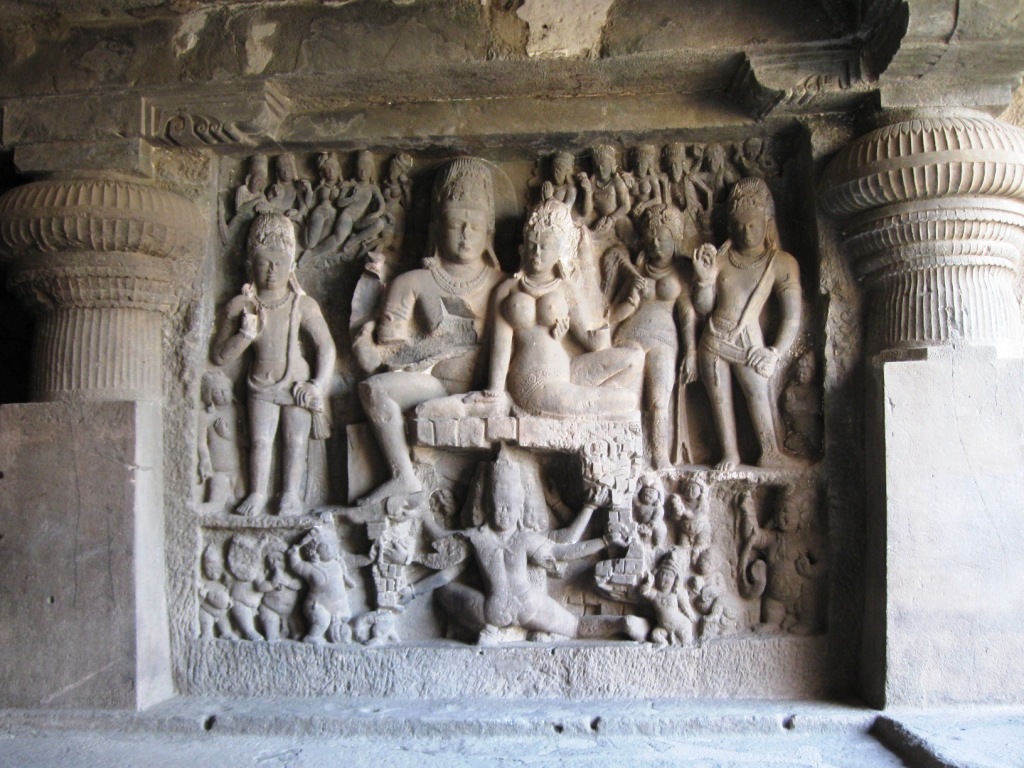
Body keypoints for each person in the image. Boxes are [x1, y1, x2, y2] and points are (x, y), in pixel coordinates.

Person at [352, 158, 506, 504]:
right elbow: (389, 354)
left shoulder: (505, 285)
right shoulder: (411, 283)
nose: (465, 235)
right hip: (434, 383)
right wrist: (370, 349)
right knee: (374, 390)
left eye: (475, 226)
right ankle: (402, 477)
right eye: (455, 224)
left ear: (489, 232)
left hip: (490, 389)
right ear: (436, 229)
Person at [429, 454, 649, 645]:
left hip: (494, 610)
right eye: (498, 506)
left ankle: (500, 632)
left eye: (507, 507)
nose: (503, 512)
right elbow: (563, 551)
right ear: (488, 507)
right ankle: (622, 624)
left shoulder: (479, 537)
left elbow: (441, 544)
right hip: (528, 605)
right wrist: (605, 540)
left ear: (519, 509)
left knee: (443, 591)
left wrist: (423, 513)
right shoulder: (519, 538)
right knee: (574, 627)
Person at [212, 214, 337, 515]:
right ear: (249, 266)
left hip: (296, 384)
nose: (272, 271)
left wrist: (318, 385)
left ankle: (290, 495)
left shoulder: (303, 305)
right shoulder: (240, 306)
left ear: (292, 266)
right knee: (260, 441)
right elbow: (219, 357)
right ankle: (257, 492)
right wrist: (244, 335)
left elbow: (326, 346)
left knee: (295, 441)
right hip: (259, 382)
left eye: (280, 263)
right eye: (264, 263)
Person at [475, 198, 642, 418]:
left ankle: (587, 403)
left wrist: (619, 309)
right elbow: (501, 345)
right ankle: (588, 404)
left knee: (634, 359)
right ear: (522, 249)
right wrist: (496, 392)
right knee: (626, 401)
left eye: (545, 246)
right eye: (532, 245)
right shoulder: (507, 290)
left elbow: (593, 343)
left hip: (568, 370)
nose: (537, 253)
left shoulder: (566, 289)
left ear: (559, 251)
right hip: (532, 382)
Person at [691, 177, 801, 469]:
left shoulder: (781, 262)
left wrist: (775, 351)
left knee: (757, 393)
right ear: (730, 226)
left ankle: (770, 451)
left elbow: (792, 316)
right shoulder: (721, 260)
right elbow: (703, 309)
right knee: (719, 401)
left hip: (749, 343)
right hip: (713, 339)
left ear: (767, 223)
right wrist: (704, 281)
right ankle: (729, 453)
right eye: (739, 225)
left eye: (753, 224)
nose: (746, 231)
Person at [609, 204, 698, 467]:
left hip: (665, 340)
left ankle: (658, 453)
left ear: (675, 238)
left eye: (662, 238)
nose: (656, 244)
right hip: (631, 334)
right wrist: (631, 297)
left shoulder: (682, 271)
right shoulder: (637, 269)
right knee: (629, 395)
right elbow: (613, 315)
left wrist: (691, 351)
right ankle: (627, 452)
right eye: (651, 239)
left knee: (660, 396)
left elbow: (687, 314)